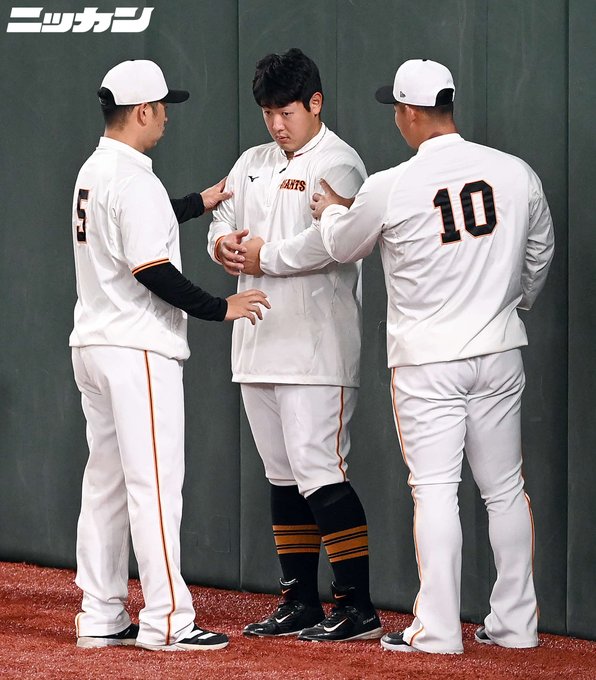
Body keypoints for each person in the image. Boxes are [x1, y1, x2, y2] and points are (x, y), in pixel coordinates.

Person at [311, 58, 554, 654]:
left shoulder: (393, 183)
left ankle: (440, 629)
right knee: (505, 490)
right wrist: (511, 303)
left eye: (396, 109)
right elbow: (539, 253)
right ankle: (516, 624)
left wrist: (333, 209)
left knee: (436, 490)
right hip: (498, 349)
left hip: (427, 362)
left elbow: (341, 244)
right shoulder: (515, 171)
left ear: (409, 112)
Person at [70, 59, 269, 652]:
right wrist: (219, 308)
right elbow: (151, 267)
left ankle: (100, 613)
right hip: (137, 348)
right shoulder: (134, 180)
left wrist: (196, 204)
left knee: (106, 485)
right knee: (154, 486)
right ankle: (167, 620)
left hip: (95, 345)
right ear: (142, 111)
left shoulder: (95, 168)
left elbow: (133, 224)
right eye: (162, 108)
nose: (166, 118)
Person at [207, 48, 382, 642]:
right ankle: (300, 601)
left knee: (319, 470)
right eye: (268, 113)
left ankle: (357, 607)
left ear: (316, 103)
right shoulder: (251, 161)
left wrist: (265, 257)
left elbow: (332, 242)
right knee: (281, 476)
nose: (277, 124)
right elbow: (222, 218)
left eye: (287, 112)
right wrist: (221, 246)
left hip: (317, 347)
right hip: (256, 340)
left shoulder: (340, 162)